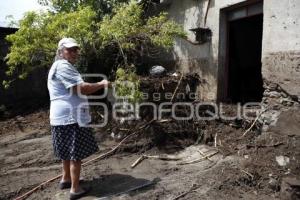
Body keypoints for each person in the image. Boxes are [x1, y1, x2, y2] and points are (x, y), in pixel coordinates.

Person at [47, 37, 109, 200]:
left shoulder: (57, 66)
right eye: (70, 49)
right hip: (71, 117)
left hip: (61, 117)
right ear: (61, 51)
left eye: (76, 49)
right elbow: (82, 89)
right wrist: (102, 83)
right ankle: (75, 189)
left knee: (67, 152)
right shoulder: (63, 66)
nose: (74, 52)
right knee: (76, 154)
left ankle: (66, 179)